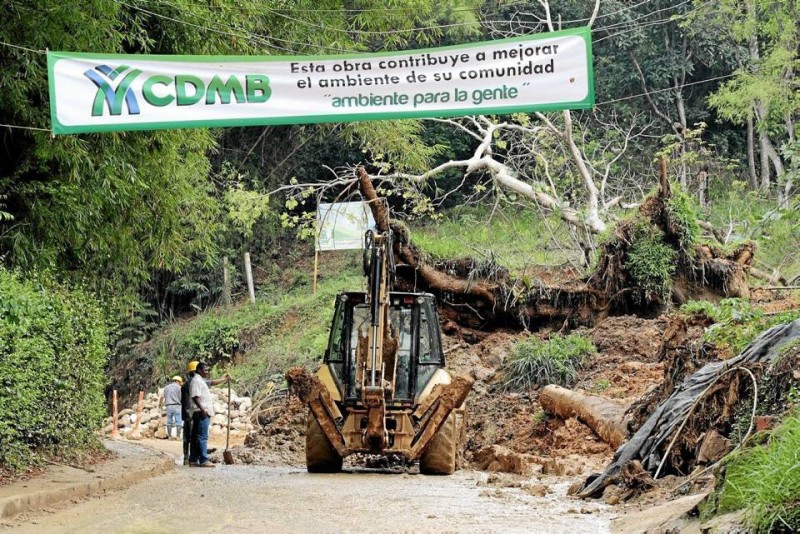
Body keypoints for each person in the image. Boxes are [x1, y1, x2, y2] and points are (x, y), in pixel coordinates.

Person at [158, 376, 183, 440]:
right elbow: (182, 397)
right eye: (180, 382)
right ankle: (178, 436)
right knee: (178, 421)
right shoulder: (179, 388)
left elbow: (161, 397)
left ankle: (169, 436)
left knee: (169, 421)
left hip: (169, 406)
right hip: (177, 405)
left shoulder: (166, 387)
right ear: (178, 381)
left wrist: (160, 404)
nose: (180, 384)